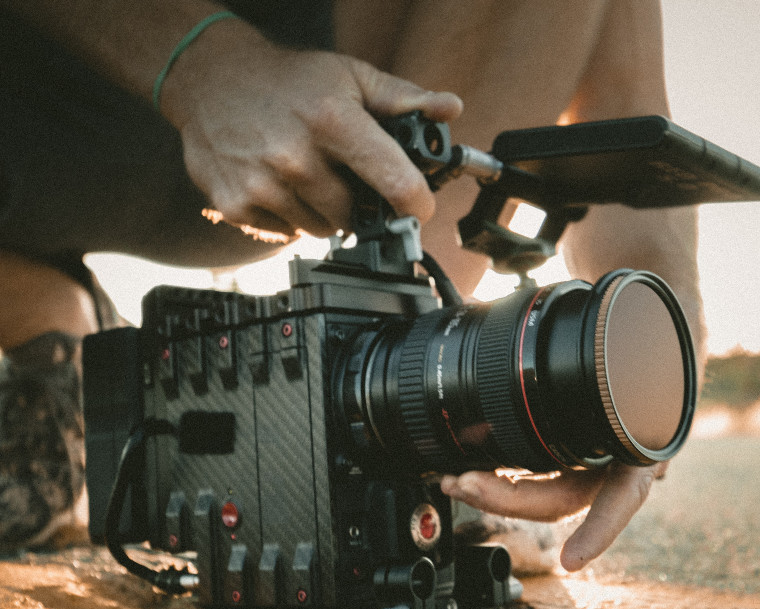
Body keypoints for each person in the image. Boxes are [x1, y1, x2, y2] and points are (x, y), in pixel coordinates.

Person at [0, 0, 703, 571]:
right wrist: (203, 63)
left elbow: (621, 126)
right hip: (61, 97)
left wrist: (650, 372)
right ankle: (48, 326)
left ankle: (401, 411)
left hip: (315, 123)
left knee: (384, 396)